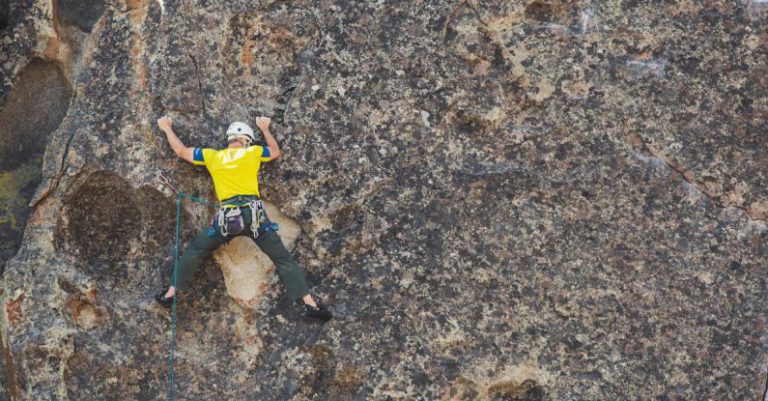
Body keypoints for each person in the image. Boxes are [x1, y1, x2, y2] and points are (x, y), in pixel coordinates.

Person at [154, 115, 332, 322]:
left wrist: (166, 128)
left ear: (229, 139)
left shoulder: (213, 157)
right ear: (246, 140)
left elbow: (181, 151)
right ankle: (310, 304)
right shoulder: (253, 152)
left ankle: (169, 294)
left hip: (227, 219)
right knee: (282, 259)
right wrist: (265, 128)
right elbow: (275, 152)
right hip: (254, 216)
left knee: (197, 250)